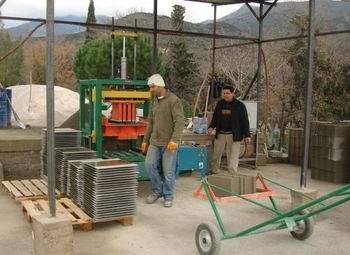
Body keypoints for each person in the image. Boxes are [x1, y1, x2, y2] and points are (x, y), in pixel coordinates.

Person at [141, 74, 185, 208]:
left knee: (168, 171)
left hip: (169, 143)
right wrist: (145, 140)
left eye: (152, 87)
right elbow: (151, 122)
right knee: (149, 166)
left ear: (161, 86)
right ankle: (157, 191)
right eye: (150, 87)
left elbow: (180, 121)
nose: (151, 90)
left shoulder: (174, 100)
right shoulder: (154, 101)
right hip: (155, 141)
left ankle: (168, 195)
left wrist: (175, 140)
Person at [208, 86, 251, 174]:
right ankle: (214, 171)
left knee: (232, 156)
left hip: (233, 135)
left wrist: (247, 135)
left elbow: (245, 121)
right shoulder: (220, 104)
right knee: (216, 154)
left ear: (232, 94)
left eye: (227, 93)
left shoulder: (240, 106)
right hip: (220, 134)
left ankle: (232, 173)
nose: (225, 95)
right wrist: (211, 126)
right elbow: (215, 117)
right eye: (224, 93)